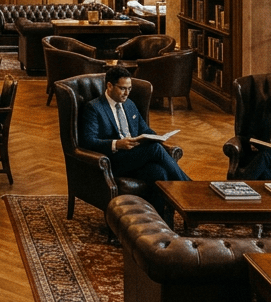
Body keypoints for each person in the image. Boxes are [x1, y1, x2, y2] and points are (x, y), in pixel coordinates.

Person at [78, 65, 189, 217]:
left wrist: (156, 137)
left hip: (136, 157)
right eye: (123, 88)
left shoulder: (129, 104)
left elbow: (145, 130)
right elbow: (88, 142)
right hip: (113, 161)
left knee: (159, 172)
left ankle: (163, 226)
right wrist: (117, 144)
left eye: (129, 88)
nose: (127, 93)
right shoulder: (94, 107)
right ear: (109, 85)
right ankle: (190, 188)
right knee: (154, 149)